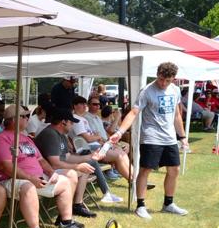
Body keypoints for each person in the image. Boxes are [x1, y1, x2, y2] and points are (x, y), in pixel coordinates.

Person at [0, 106, 86, 228]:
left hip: (36, 177)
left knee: (64, 180)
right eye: (24, 116)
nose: (28, 118)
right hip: (13, 179)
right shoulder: (1, 139)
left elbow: (40, 160)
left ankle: (66, 222)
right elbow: (7, 167)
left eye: (28, 116)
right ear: (13, 119)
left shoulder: (25, 138)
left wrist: (51, 173)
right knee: (28, 186)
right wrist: (30, 178)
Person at [110, 61, 189, 219]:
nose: (163, 83)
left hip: (169, 138)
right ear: (157, 75)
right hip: (151, 137)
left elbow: (176, 115)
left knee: (174, 170)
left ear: (173, 79)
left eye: (167, 80)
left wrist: (182, 137)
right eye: (160, 79)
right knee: (145, 170)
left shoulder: (175, 90)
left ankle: (168, 204)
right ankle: (140, 205)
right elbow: (133, 112)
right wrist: (120, 131)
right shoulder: (146, 91)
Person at [35, 109, 120, 211]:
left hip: (56, 168)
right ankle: (77, 205)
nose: (72, 125)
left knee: (88, 164)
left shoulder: (60, 134)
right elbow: (55, 164)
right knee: (83, 168)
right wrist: (77, 166)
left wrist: (90, 157)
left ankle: (78, 204)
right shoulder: (50, 134)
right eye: (71, 122)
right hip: (48, 172)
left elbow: (67, 157)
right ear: (63, 122)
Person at [83, 96, 132, 181]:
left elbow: (105, 132)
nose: (97, 106)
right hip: (98, 145)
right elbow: (96, 135)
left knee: (125, 148)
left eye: (99, 104)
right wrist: (108, 142)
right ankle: (132, 180)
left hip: (105, 143)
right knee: (120, 153)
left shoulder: (97, 117)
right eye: (95, 104)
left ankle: (132, 176)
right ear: (88, 105)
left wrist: (111, 141)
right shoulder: (86, 118)